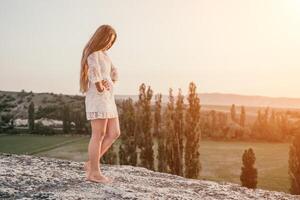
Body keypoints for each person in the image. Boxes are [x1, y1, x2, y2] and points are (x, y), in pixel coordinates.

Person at [79, 24, 121, 183]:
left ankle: (91, 163)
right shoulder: (92, 53)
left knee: (114, 132)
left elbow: (114, 71)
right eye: (109, 40)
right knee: (99, 134)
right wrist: (100, 86)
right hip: (98, 98)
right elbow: (93, 72)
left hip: (108, 98)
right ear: (102, 37)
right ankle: (94, 173)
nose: (110, 44)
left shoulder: (105, 55)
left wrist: (112, 82)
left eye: (112, 42)